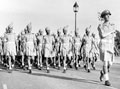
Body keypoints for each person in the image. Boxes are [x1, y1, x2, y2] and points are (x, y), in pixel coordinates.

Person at [98, 10, 116, 86]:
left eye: (109, 15)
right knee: (105, 62)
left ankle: (102, 72)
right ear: (103, 17)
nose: (108, 16)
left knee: (110, 64)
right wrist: (110, 32)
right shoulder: (100, 26)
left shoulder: (112, 25)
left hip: (110, 46)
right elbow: (102, 35)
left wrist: (114, 46)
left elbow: (114, 36)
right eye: (106, 15)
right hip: (104, 46)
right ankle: (107, 80)